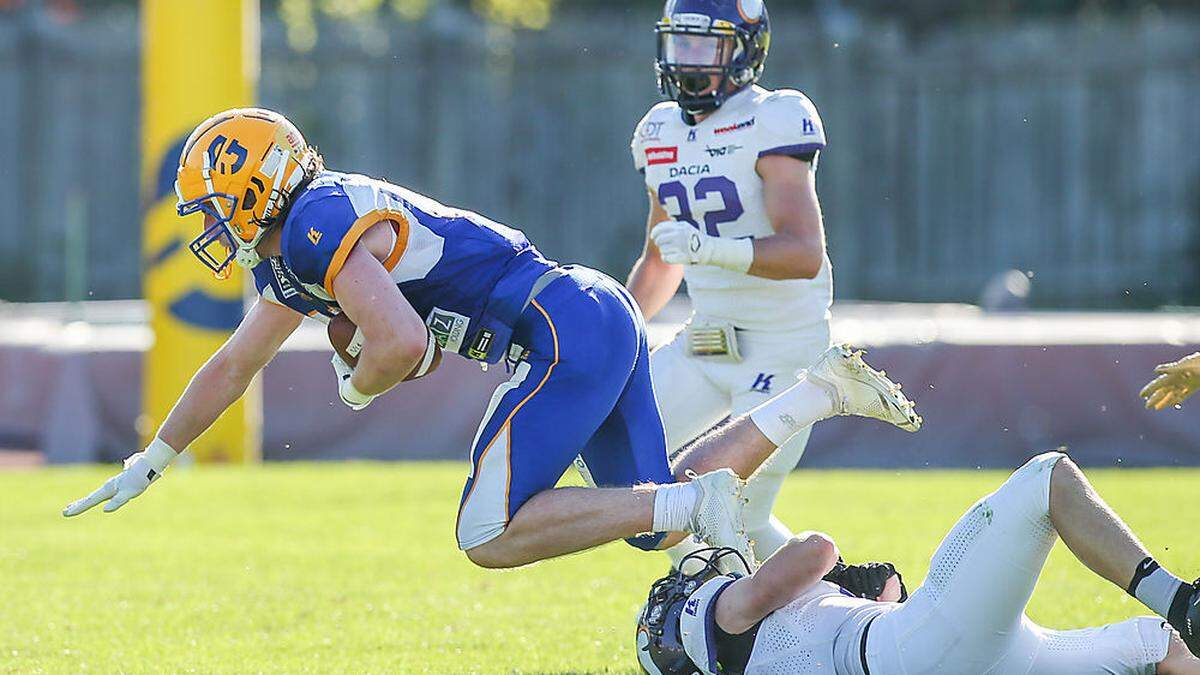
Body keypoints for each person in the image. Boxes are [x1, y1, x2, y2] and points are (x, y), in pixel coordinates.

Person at [61, 108, 921, 572]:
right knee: (654, 525)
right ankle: (818, 392)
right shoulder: (298, 245)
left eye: (216, 205)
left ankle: (702, 497)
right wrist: (154, 459)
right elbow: (235, 360)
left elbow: (396, 344)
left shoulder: (316, 221)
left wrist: (357, 383)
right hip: (587, 313)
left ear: (259, 186)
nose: (211, 226)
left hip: (557, 327)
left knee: (485, 531)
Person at [637, 451, 1200, 674]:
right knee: (1045, 478)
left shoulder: (748, 649)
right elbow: (816, 550)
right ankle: (1184, 600)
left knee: (1157, 645)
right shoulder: (721, 619)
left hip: (941, 656)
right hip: (914, 650)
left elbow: (877, 593)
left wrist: (867, 591)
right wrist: (838, 577)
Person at [625, 0, 838, 566]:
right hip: (706, 340)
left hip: (783, 346)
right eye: (679, 43)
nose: (685, 59)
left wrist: (710, 249)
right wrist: (619, 331)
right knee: (625, 468)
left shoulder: (774, 117)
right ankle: (835, 589)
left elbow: (804, 254)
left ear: (745, 50)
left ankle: (807, 602)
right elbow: (659, 258)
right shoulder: (659, 130)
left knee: (728, 516)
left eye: (703, 44)